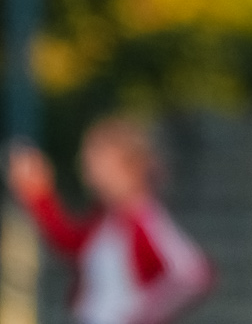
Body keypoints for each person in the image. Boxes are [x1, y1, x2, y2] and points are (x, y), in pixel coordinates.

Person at [8, 119, 212, 324]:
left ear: (128, 166)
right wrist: (37, 194)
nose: (87, 168)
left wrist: (143, 316)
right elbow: (69, 242)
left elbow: (194, 275)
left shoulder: (139, 219)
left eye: (97, 160)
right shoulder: (107, 218)